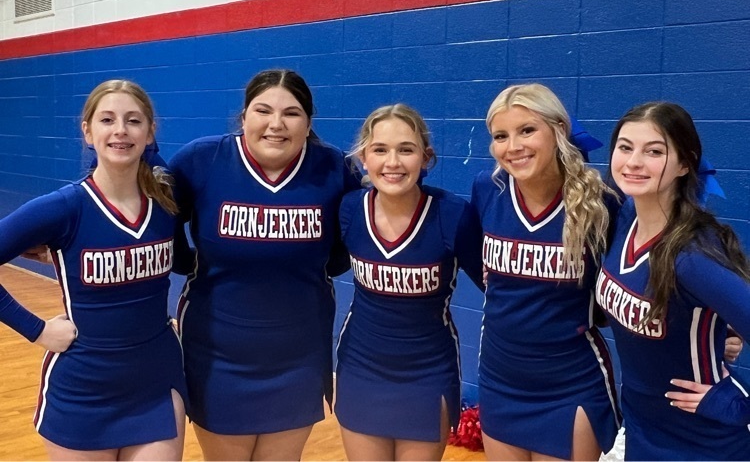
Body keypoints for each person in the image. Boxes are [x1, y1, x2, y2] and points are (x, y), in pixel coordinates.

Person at [168, 69, 361, 461]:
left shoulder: (336, 169)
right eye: (263, 110)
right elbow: (153, 225)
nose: (276, 124)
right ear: (244, 117)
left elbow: (351, 246)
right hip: (217, 354)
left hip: (299, 356)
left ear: (308, 123)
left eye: (291, 113)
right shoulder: (201, 160)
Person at [0, 79, 187, 460]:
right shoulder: (63, 207)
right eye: (107, 120)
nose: (120, 130)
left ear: (151, 131)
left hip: (156, 380)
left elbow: (187, 259)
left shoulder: (166, 200)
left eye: (133, 120)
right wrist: (37, 330)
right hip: (83, 392)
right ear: (87, 131)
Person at [472, 83, 621, 461]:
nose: (513, 146)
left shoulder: (601, 201)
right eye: (500, 136)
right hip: (500, 378)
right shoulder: (487, 190)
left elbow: (644, 271)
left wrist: (720, 329)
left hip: (570, 384)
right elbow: (479, 267)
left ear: (558, 130)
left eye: (527, 130)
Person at [598, 101, 750, 460]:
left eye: (654, 151)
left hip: (702, 441)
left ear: (685, 164)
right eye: (625, 147)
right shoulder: (625, 217)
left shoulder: (691, 255)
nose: (634, 161)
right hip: (642, 427)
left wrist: (739, 407)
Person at [334, 104, 484, 461]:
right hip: (361, 368)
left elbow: (499, 287)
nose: (393, 162)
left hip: (427, 374)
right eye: (380, 150)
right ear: (364, 158)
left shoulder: (452, 214)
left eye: (406, 149)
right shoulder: (350, 209)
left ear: (425, 157)